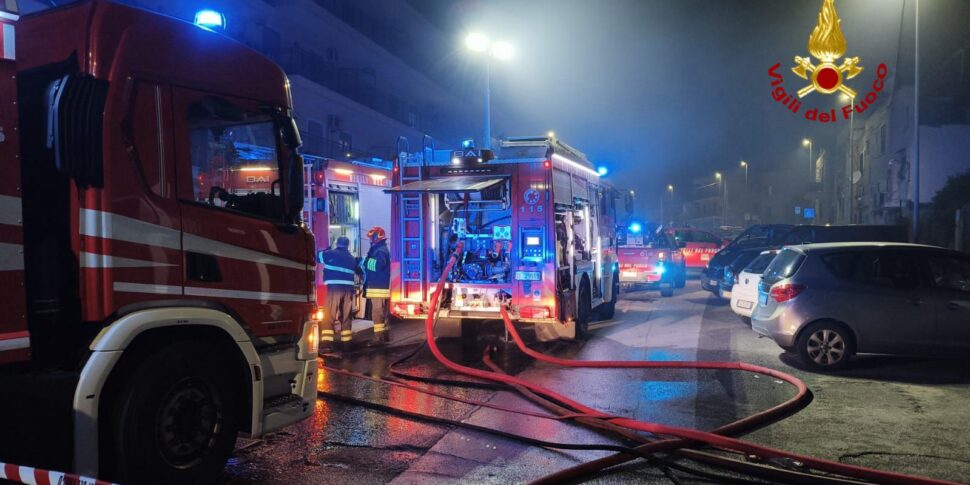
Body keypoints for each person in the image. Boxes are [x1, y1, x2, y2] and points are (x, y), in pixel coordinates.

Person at [320, 236, 357, 354]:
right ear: (348, 245)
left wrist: (325, 250)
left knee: (329, 315)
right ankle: (347, 345)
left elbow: (315, 256)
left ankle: (327, 345)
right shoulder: (352, 259)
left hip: (334, 289)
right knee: (346, 316)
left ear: (337, 243)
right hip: (348, 290)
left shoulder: (330, 254)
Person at [363, 226, 391, 345]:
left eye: (372, 238)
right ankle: (383, 336)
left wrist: (365, 262)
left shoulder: (380, 250)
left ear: (377, 237)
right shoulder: (381, 249)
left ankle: (378, 338)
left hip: (378, 287)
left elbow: (379, 265)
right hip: (379, 286)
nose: (370, 240)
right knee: (381, 312)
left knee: (377, 313)